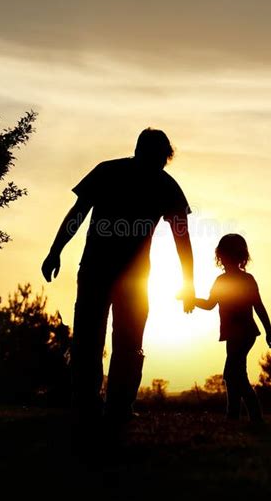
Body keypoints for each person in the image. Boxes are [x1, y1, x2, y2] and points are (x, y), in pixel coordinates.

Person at [41, 128, 195, 424]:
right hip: (108, 274)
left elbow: (182, 238)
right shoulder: (151, 181)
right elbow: (78, 212)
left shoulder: (122, 175)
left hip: (116, 275)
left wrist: (55, 250)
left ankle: (107, 404)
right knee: (104, 339)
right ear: (155, 154)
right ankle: (101, 404)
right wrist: (55, 250)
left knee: (108, 340)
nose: (159, 164)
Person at [192, 234, 271, 422]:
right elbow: (210, 304)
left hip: (243, 334)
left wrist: (269, 332)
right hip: (237, 334)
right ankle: (236, 415)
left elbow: (258, 307)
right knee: (235, 374)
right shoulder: (232, 280)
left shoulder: (239, 280)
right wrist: (192, 300)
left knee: (233, 374)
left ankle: (246, 415)